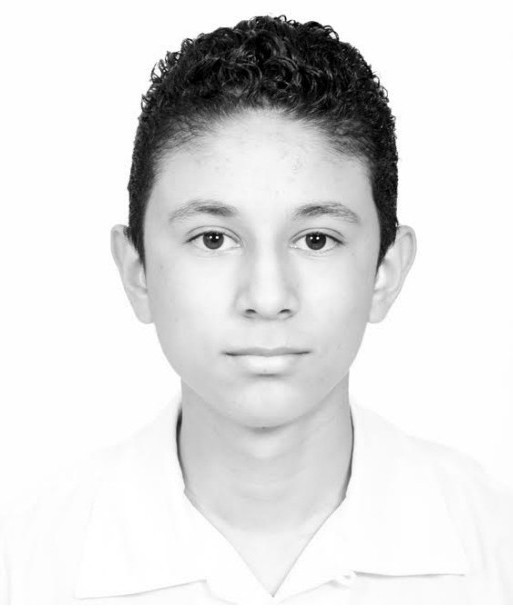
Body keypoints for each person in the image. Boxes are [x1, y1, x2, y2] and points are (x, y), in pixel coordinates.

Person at [1, 14, 512, 605]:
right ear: (136, 269)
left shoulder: (495, 550)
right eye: (213, 238)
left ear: (386, 271)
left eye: (316, 239)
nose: (267, 298)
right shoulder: (24, 568)